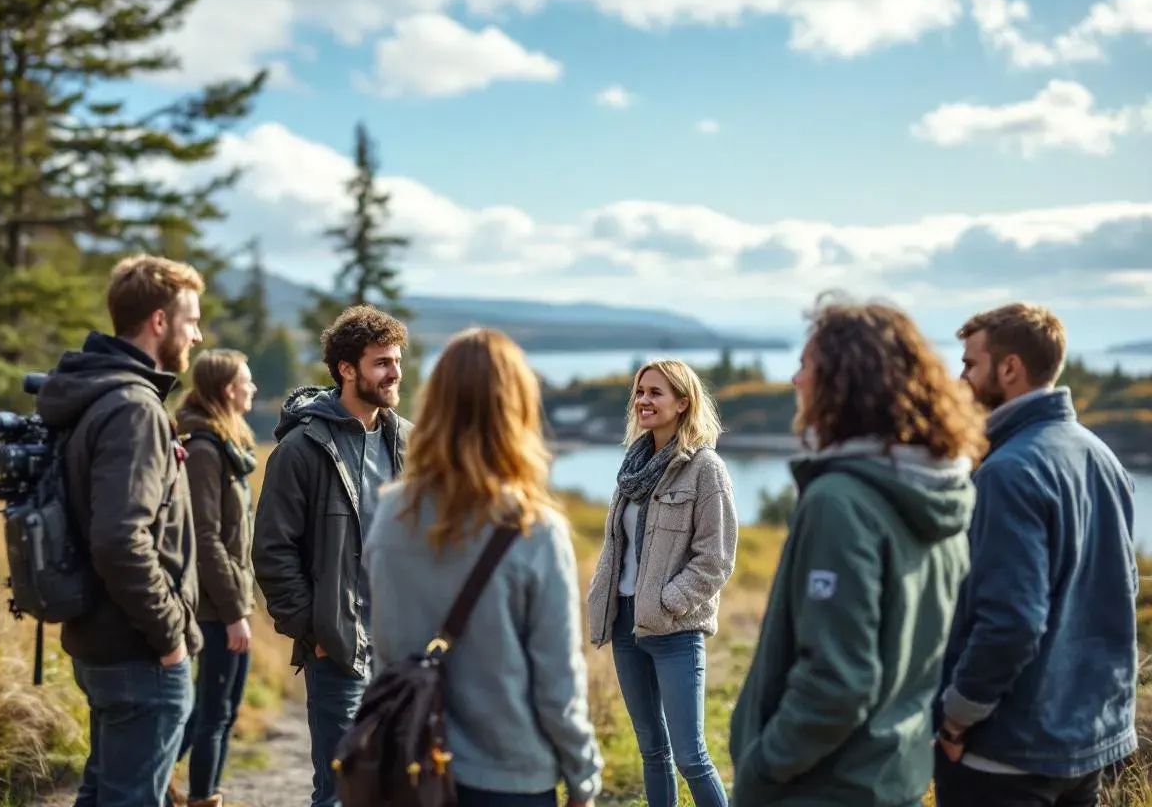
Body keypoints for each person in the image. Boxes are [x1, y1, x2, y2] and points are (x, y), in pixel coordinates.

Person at [729, 298, 985, 807]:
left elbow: (838, 684)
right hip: (894, 780)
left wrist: (761, 769)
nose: (796, 381)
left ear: (845, 381)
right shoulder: (940, 490)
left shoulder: (840, 502)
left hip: (821, 789)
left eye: (806, 366)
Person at [365, 328, 602, 807]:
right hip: (511, 778)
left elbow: (384, 651)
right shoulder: (536, 529)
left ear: (435, 405)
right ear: (516, 409)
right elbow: (558, 684)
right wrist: (583, 778)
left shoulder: (391, 515)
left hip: (410, 768)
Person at [935, 303, 1137, 806]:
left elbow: (1011, 621)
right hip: (1085, 741)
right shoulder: (1102, 458)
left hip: (1006, 751)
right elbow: (1122, 589)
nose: (960, 380)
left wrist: (957, 718)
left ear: (1009, 368)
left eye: (969, 364)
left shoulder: (1008, 472)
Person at [35, 254, 205, 807]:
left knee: (104, 794)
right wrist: (170, 637)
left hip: (102, 639)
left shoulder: (94, 392)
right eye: (190, 321)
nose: (197, 335)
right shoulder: (134, 408)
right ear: (159, 322)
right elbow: (119, 538)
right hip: (139, 650)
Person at [253, 305, 411, 807]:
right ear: (347, 369)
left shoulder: (407, 440)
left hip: (405, 650)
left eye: (397, 360)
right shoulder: (301, 450)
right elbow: (272, 552)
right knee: (341, 791)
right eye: (382, 362)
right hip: (341, 651)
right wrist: (315, 630)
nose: (395, 373)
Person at [587, 359, 737, 807]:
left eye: (656, 393)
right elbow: (618, 544)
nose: (644, 401)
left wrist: (669, 602)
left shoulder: (706, 469)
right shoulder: (633, 466)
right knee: (653, 752)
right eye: (640, 392)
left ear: (682, 402)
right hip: (625, 625)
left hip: (675, 629)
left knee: (691, 756)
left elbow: (717, 558)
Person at [171, 349, 260, 807]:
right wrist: (233, 613)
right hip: (213, 608)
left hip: (226, 603)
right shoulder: (205, 450)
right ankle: (194, 795)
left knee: (216, 713)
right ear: (228, 390)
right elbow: (206, 540)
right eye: (247, 382)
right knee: (212, 714)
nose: (253, 388)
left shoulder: (224, 444)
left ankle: (162, 783)